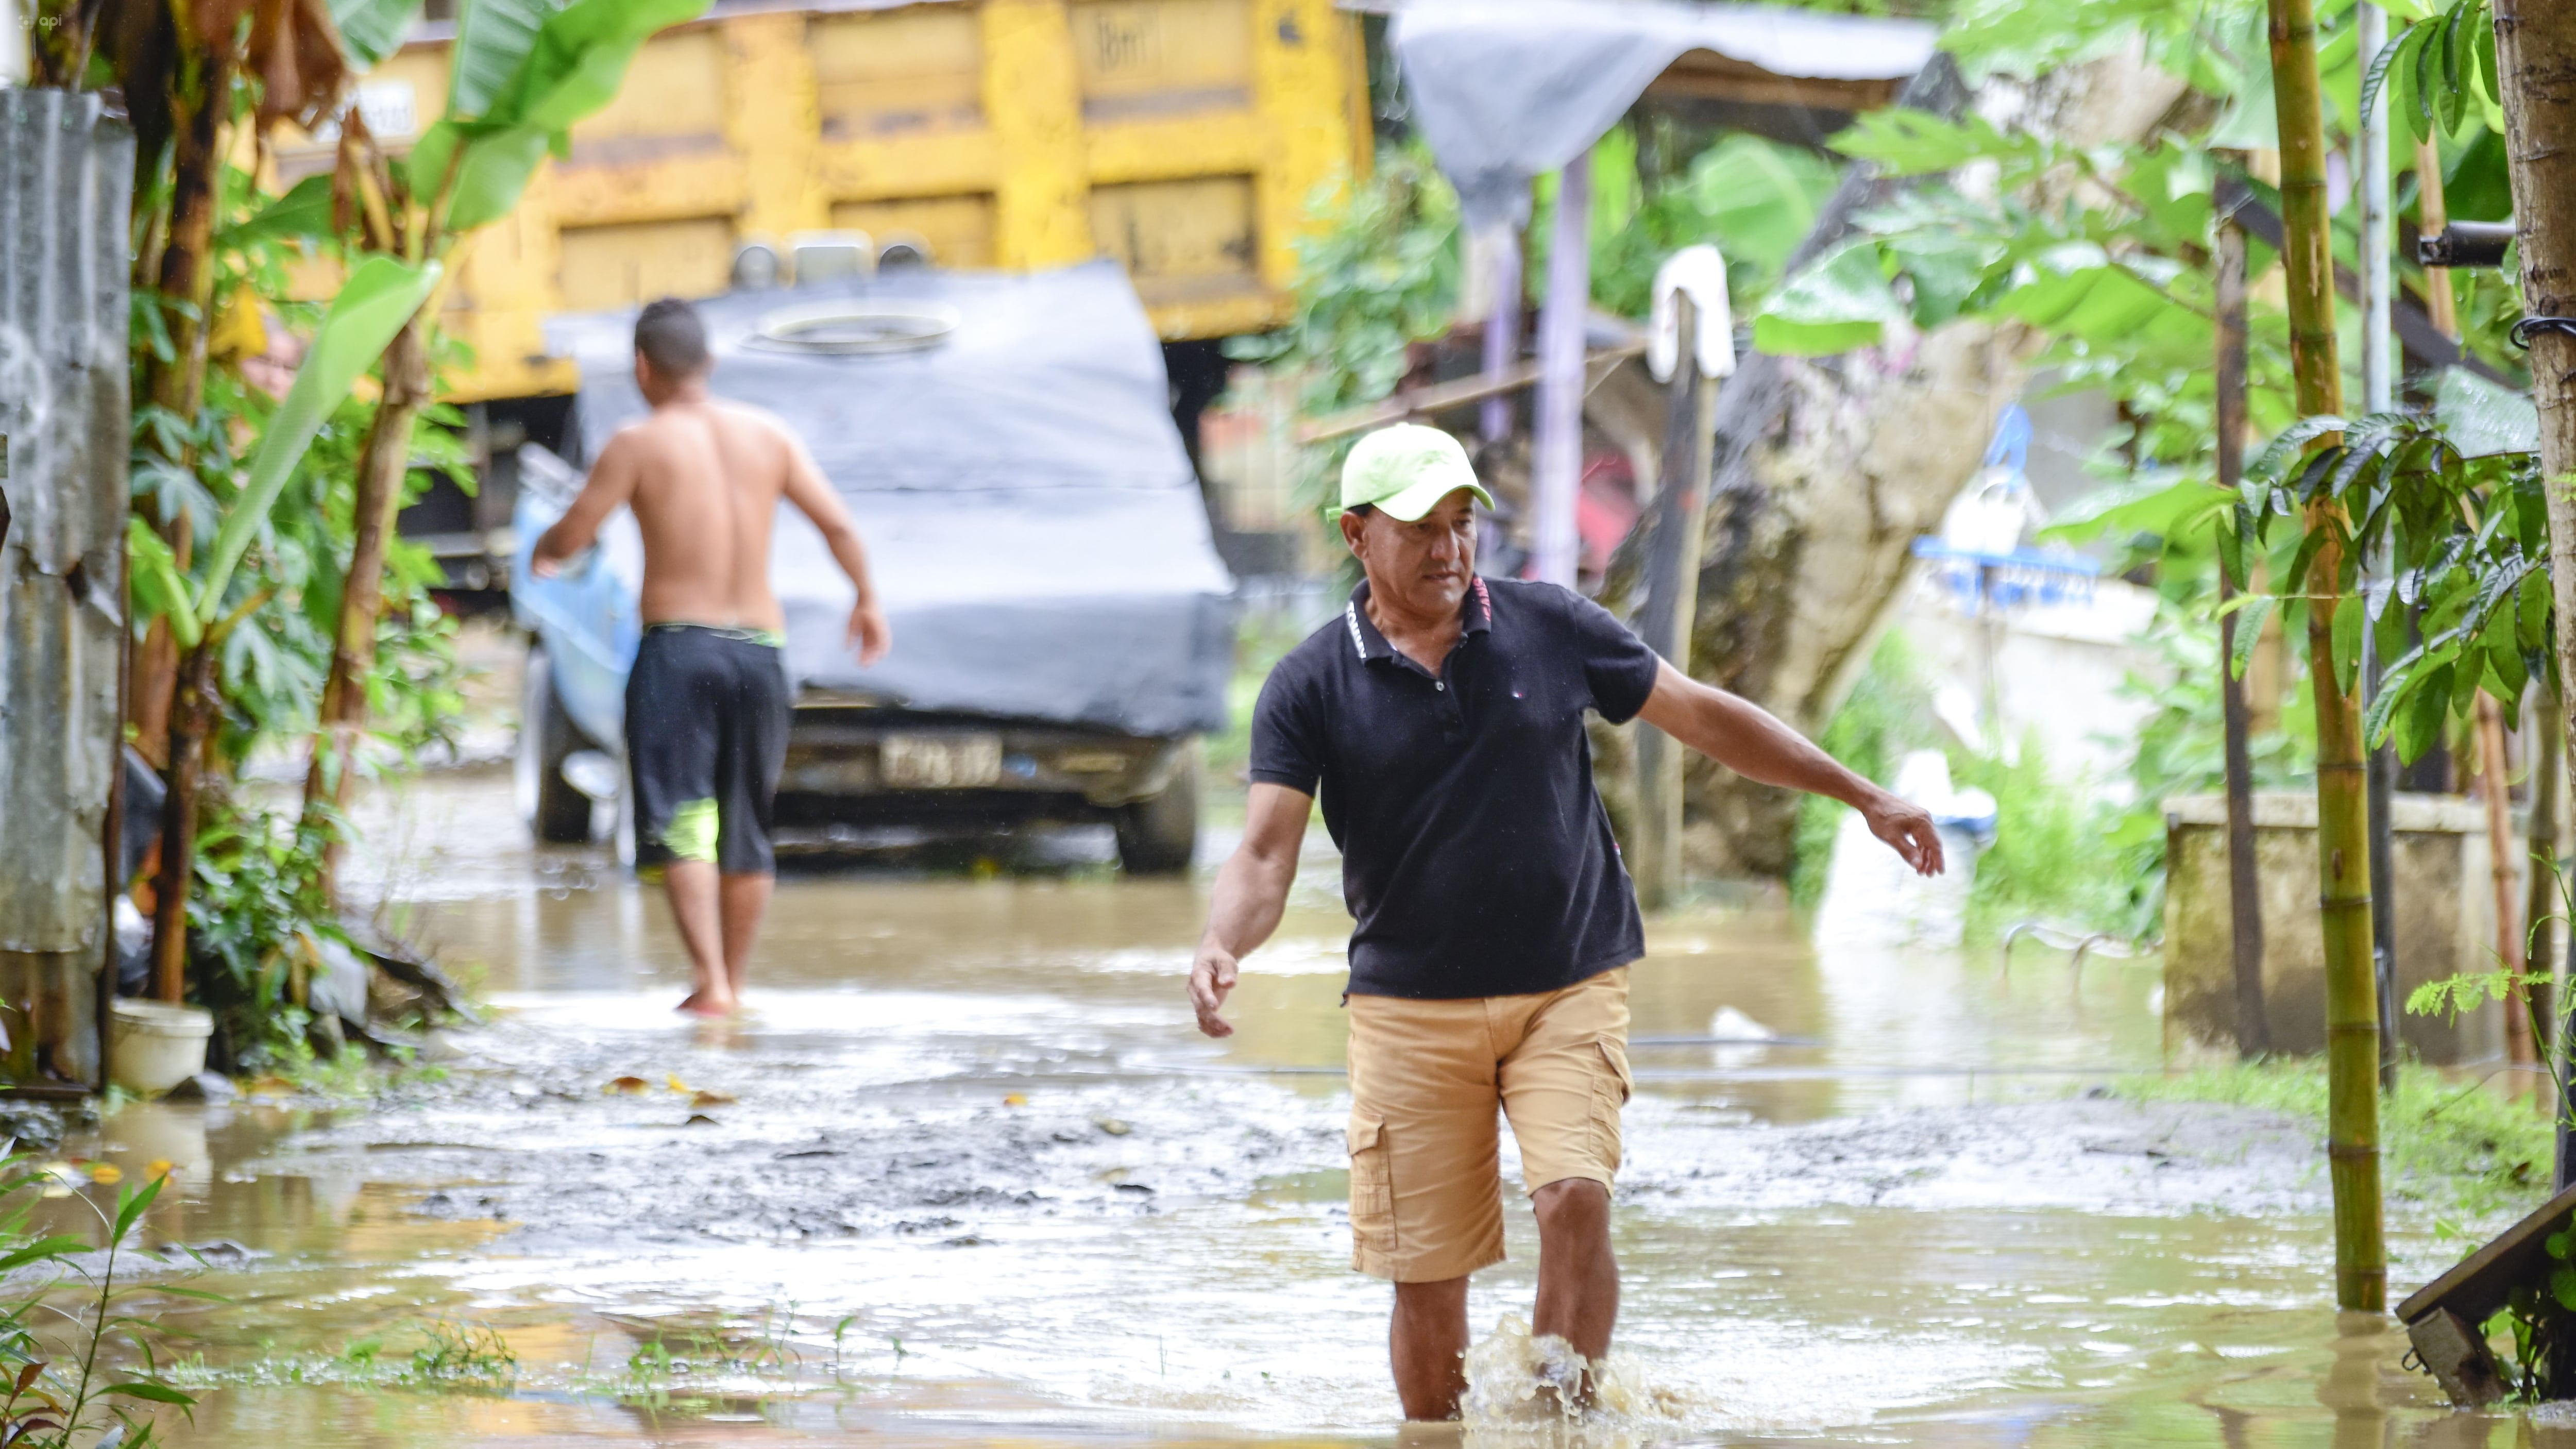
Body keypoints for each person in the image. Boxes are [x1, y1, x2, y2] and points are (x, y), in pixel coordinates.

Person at [1186, 423, 1942, 1420]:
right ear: (1356, 534)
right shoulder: (1308, 685)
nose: (1451, 550)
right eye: (1422, 529)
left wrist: (1862, 795)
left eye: (1462, 525)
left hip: (1568, 981)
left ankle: (1560, 1428)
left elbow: (1704, 713)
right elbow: (1266, 853)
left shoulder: (1552, 627)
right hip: (1410, 1007)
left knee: (1576, 1197)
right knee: (1428, 1278)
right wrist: (1220, 941)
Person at [533, 297, 891, 1017]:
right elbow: (838, 523)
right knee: (747, 820)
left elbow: (574, 534)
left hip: (680, 648)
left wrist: (544, 552)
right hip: (760, 651)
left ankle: (712, 984)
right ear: (709, 362)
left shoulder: (638, 443)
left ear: (642, 367)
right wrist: (866, 600)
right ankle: (739, 980)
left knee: (685, 816)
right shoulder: (770, 434)